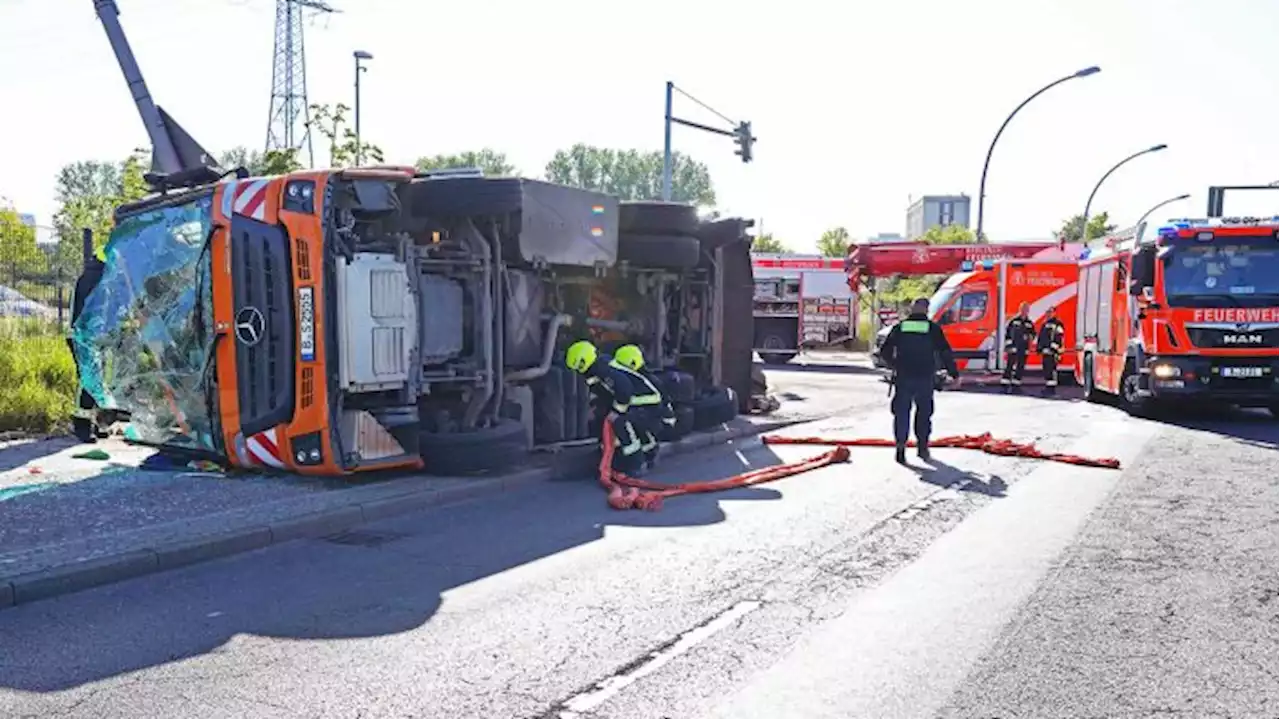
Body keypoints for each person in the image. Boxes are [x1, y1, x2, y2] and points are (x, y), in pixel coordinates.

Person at [878, 297, 959, 464]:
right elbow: (945, 352)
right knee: (924, 413)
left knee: (901, 413)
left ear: (912, 310)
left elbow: (884, 351)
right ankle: (922, 448)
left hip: (904, 376)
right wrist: (954, 374)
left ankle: (900, 448)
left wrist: (895, 364)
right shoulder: (932, 329)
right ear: (926, 310)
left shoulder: (900, 327)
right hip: (925, 377)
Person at [565, 340, 649, 475]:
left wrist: (616, 411)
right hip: (627, 402)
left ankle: (637, 463)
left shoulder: (605, 369)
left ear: (583, 361)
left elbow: (624, 390)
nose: (578, 372)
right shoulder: (594, 371)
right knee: (604, 419)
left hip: (641, 404)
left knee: (620, 423)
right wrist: (597, 408)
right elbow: (604, 393)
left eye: (578, 368)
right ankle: (612, 457)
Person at [612, 344, 677, 470]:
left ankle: (637, 461)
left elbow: (639, 403)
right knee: (633, 418)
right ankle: (646, 452)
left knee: (624, 421)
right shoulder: (639, 378)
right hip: (655, 418)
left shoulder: (644, 381)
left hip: (661, 422)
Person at [1001, 302, 1035, 392]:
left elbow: (1033, 335)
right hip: (1013, 348)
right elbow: (1008, 334)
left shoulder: (1030, 323)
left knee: (1020, 367)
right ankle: (1005, 386)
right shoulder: (1014, 321)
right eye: (1023, 309)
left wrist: (1030, 342)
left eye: (1026, 309)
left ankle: (1016, 386)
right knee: (1009, 366)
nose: (1025, 311)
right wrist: (1009, 346)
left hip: (1023, 349)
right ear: (1020, 309)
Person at [1036, 305, 1066, 396]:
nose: (1048, 314)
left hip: (1052, 352)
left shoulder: (1058, 324)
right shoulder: (1044, 324)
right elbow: (1041, 337)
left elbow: (1059, 337)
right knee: (1046, 370)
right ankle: (1048, 388)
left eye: (1050, 312)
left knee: (1052, 370)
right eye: (1047, 312)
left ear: (1054, 313)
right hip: (1045, 351)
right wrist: (1039, 348)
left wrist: (1054, 348)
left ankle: (1051, 390)